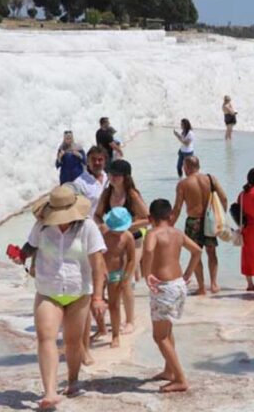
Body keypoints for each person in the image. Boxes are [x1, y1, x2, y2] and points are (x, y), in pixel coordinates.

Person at [8, 186, 107, 409]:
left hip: (78, 291)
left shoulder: (87, 227)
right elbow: (30, 247)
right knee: (46, 337)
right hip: (48, 289)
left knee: (73, 342)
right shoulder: (42, 225)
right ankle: (50, 392)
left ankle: (72, 381)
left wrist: (99, 297)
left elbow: (98, 262)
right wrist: (19, 255)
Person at [141, 199, 202, 392]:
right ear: (170, 216)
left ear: (150, 218)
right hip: (177, 285)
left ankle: (181, 379)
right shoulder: (178, 233)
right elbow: (197, 251)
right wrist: (187, 275)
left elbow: (149, 249)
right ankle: (169, 370)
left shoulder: (153, 233)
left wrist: (146, 274)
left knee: (159, 337)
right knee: (167, 330)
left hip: (164, 287)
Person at [94, 159, 149, 334]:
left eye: (116, 175)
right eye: (110, 174)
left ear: (125, 177)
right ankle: (112, 318)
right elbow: (97, 215)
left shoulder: (132, 195)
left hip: (134, 238)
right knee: (109, 278)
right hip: (112, 240)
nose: (112, 177)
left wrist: (125, 226)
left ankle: (130, 320)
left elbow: (148, 218)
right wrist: (103, 226)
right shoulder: (107, 194)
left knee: (126, 280)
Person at [171, 156, 228, 295]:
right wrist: (221, 217)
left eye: (184, 166)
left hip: (193, 221)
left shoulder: (183, 184)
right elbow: (224, 198)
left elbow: (177, 208)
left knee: (195, 254)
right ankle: (214, 284)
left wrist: (169, 226)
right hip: (210, 220)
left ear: (187, 167)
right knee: (212, 252)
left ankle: (202, 287)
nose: (183, 169)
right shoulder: (210, 179)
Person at [101, 207, 136, 349]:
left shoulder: (127, 237)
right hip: (100, 271)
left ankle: (115, 335)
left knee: (114, 305)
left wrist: (125, 278)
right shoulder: (102, 231)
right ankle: (101, 327)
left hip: (116, 273)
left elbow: (132, 259)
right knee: (94, 301)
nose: (119, 232)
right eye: (117, 229)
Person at [71, 146, 108, 214]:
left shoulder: (109, 178)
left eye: (100, 160)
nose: (97, 162)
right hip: (92, 223)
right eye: (93, 159)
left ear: (105, 162)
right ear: (87, 161)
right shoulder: (79, 183)